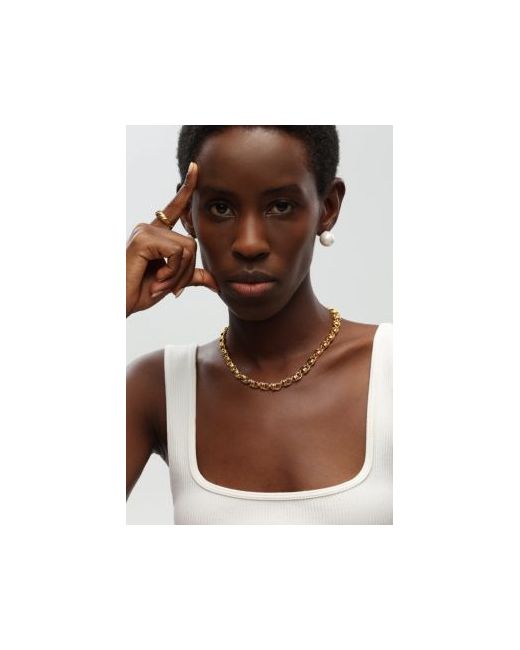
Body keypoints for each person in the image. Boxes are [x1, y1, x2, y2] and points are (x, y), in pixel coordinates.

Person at [126, 125, 392, 524]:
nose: (249, 244)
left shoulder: (394, 369)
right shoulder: (156, 388)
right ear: (189, 215)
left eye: (280, 206)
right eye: (220, 208)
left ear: (328, 207)